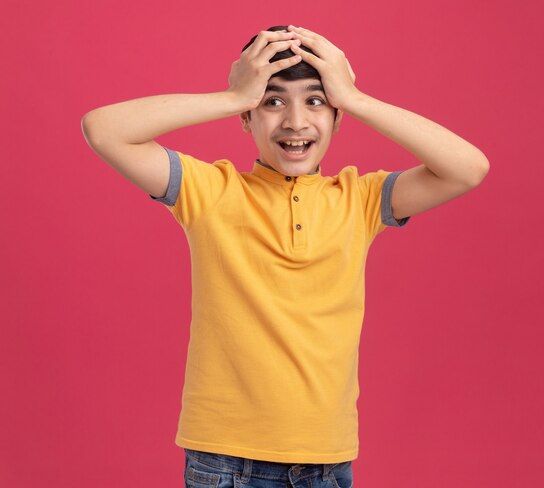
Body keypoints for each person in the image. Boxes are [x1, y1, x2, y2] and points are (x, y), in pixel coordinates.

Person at [81, 24, 489, 488]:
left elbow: (468, 168)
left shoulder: (361, 199)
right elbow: (103, 129)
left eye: (315, 100)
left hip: (327, 461)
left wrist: (353, 97)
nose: (295, 121)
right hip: (225, 460)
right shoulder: (210, 191)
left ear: (337, 117)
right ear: (247, 118)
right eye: (273, 101)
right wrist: (232, 96)